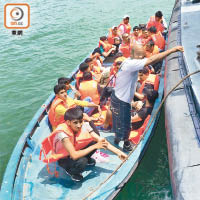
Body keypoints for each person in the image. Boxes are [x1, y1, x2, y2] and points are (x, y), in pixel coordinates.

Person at [111, 44, 184, 152]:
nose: (143, 59)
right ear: (134, 55)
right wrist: (172, 50)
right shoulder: (131, 64)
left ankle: (117, 138)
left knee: (119, 120)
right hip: (121, 100)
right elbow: (151, 60)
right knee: (125, 123)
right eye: (141, 56)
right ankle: (126, 144)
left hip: (119, 97)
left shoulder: (128, 60)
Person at [43, 107, 127, 182]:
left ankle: (86, 158)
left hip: (75, 149)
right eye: (75, 123)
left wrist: (119, 153)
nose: (79, 125)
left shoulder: (85, 125)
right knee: (83, 160)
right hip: (64, 158)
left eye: (80, 122)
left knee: (95, 142)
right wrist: (95, 146)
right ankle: (72, 172)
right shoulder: (63, 134)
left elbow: (101, 141)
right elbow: (74, 155)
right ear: (68, 122)